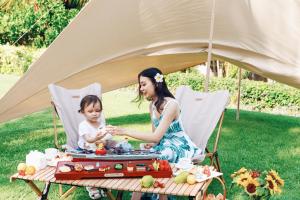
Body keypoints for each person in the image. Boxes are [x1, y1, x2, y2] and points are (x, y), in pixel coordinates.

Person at [112, 67, 203, 200]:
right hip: (163, 144)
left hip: (179, 146)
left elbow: (157, 136)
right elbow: (155, 136)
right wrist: (151, 143)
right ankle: (138, 195)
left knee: (160, 158)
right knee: (141, 156)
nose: (141, 89)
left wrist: (125, 131)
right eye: (140, 85)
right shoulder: (152, 106)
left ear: (156, 83)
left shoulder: (172, 105)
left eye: (144, 84)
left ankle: (161, 196)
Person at [78, 95, 113, 199]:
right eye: (90, 111)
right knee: (89, 168)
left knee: (106, 164)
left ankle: (103, 185)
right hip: (86, 151)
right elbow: (88, 139)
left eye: (97, 110)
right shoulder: (83, 125)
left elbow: (105, 139)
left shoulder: (101, 123)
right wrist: (96, 138)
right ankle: (91, 187)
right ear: (83, 112)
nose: (94, 113)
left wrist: (104, 140)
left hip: (99, 150)